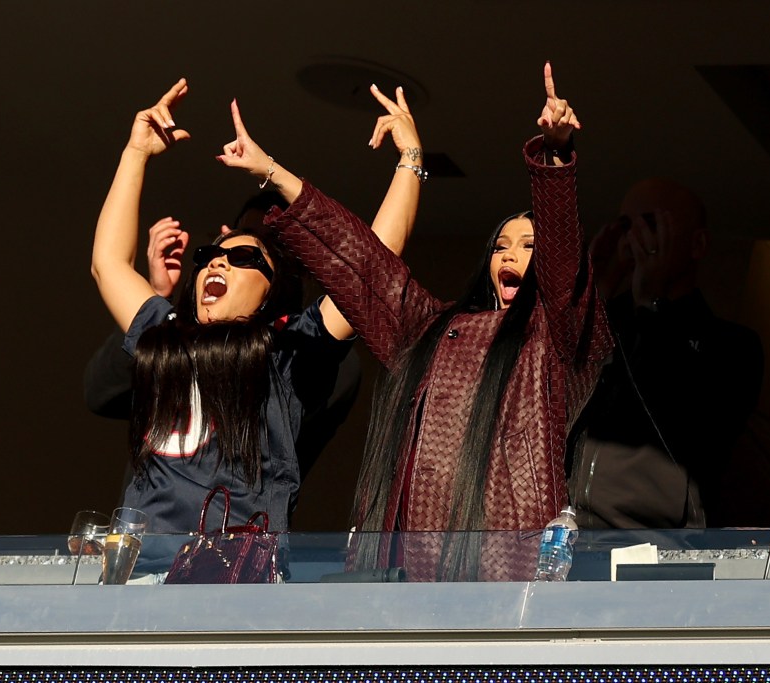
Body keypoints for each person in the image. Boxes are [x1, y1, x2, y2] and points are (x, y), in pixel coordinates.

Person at [216, 63, 612, 581]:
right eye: (500, 246)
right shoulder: (431, 328)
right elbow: (364, 265)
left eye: (529, 246)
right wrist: (274, 173)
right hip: (406, 577)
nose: (511, 255)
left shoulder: (555, 339)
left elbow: (564, 274)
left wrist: (555, 156)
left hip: (506, 576)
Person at [90, 78, 422, 578]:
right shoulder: (166, 329)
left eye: (242, 257)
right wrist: (136, 152)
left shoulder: (287, 353)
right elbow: (108, 264)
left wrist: (410, 159)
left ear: (273, 291)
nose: (215, 265)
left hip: (236, 583)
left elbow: (370, 267)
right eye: (209, 256)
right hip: (136, 580)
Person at [82, 191, 363, 483]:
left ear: (301, 258)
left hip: (235, 520)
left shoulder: (312, 350)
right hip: (148, 521)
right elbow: (102, 393)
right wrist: (155, 296)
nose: (224, 259)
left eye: (272, 241)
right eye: (241, 237)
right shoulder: (181, 330)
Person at [567, 178, 764, 529]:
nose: (637, 238)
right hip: (569, 531)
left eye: (652, 224)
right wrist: (593, 295)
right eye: (627, 226)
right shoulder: (611, 321)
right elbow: (559, 390)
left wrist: (654, 306)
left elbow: (686, 421)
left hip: (654, 543)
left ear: (697, 243)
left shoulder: (731, 345)